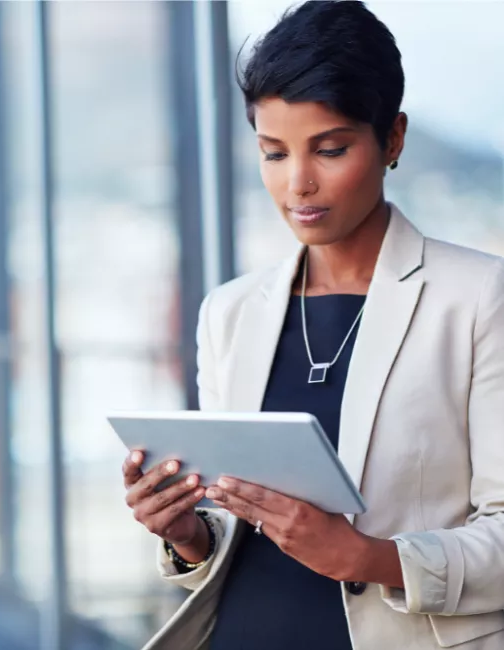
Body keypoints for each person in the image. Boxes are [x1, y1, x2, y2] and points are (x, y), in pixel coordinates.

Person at [122, 1, 504, 648]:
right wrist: (187, 536)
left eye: (330, 149)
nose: (299, 184)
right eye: (274, 154)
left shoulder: (479, 298)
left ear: (393, 139)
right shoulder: (231, 313)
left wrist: (368, 557)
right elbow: (236, 532)